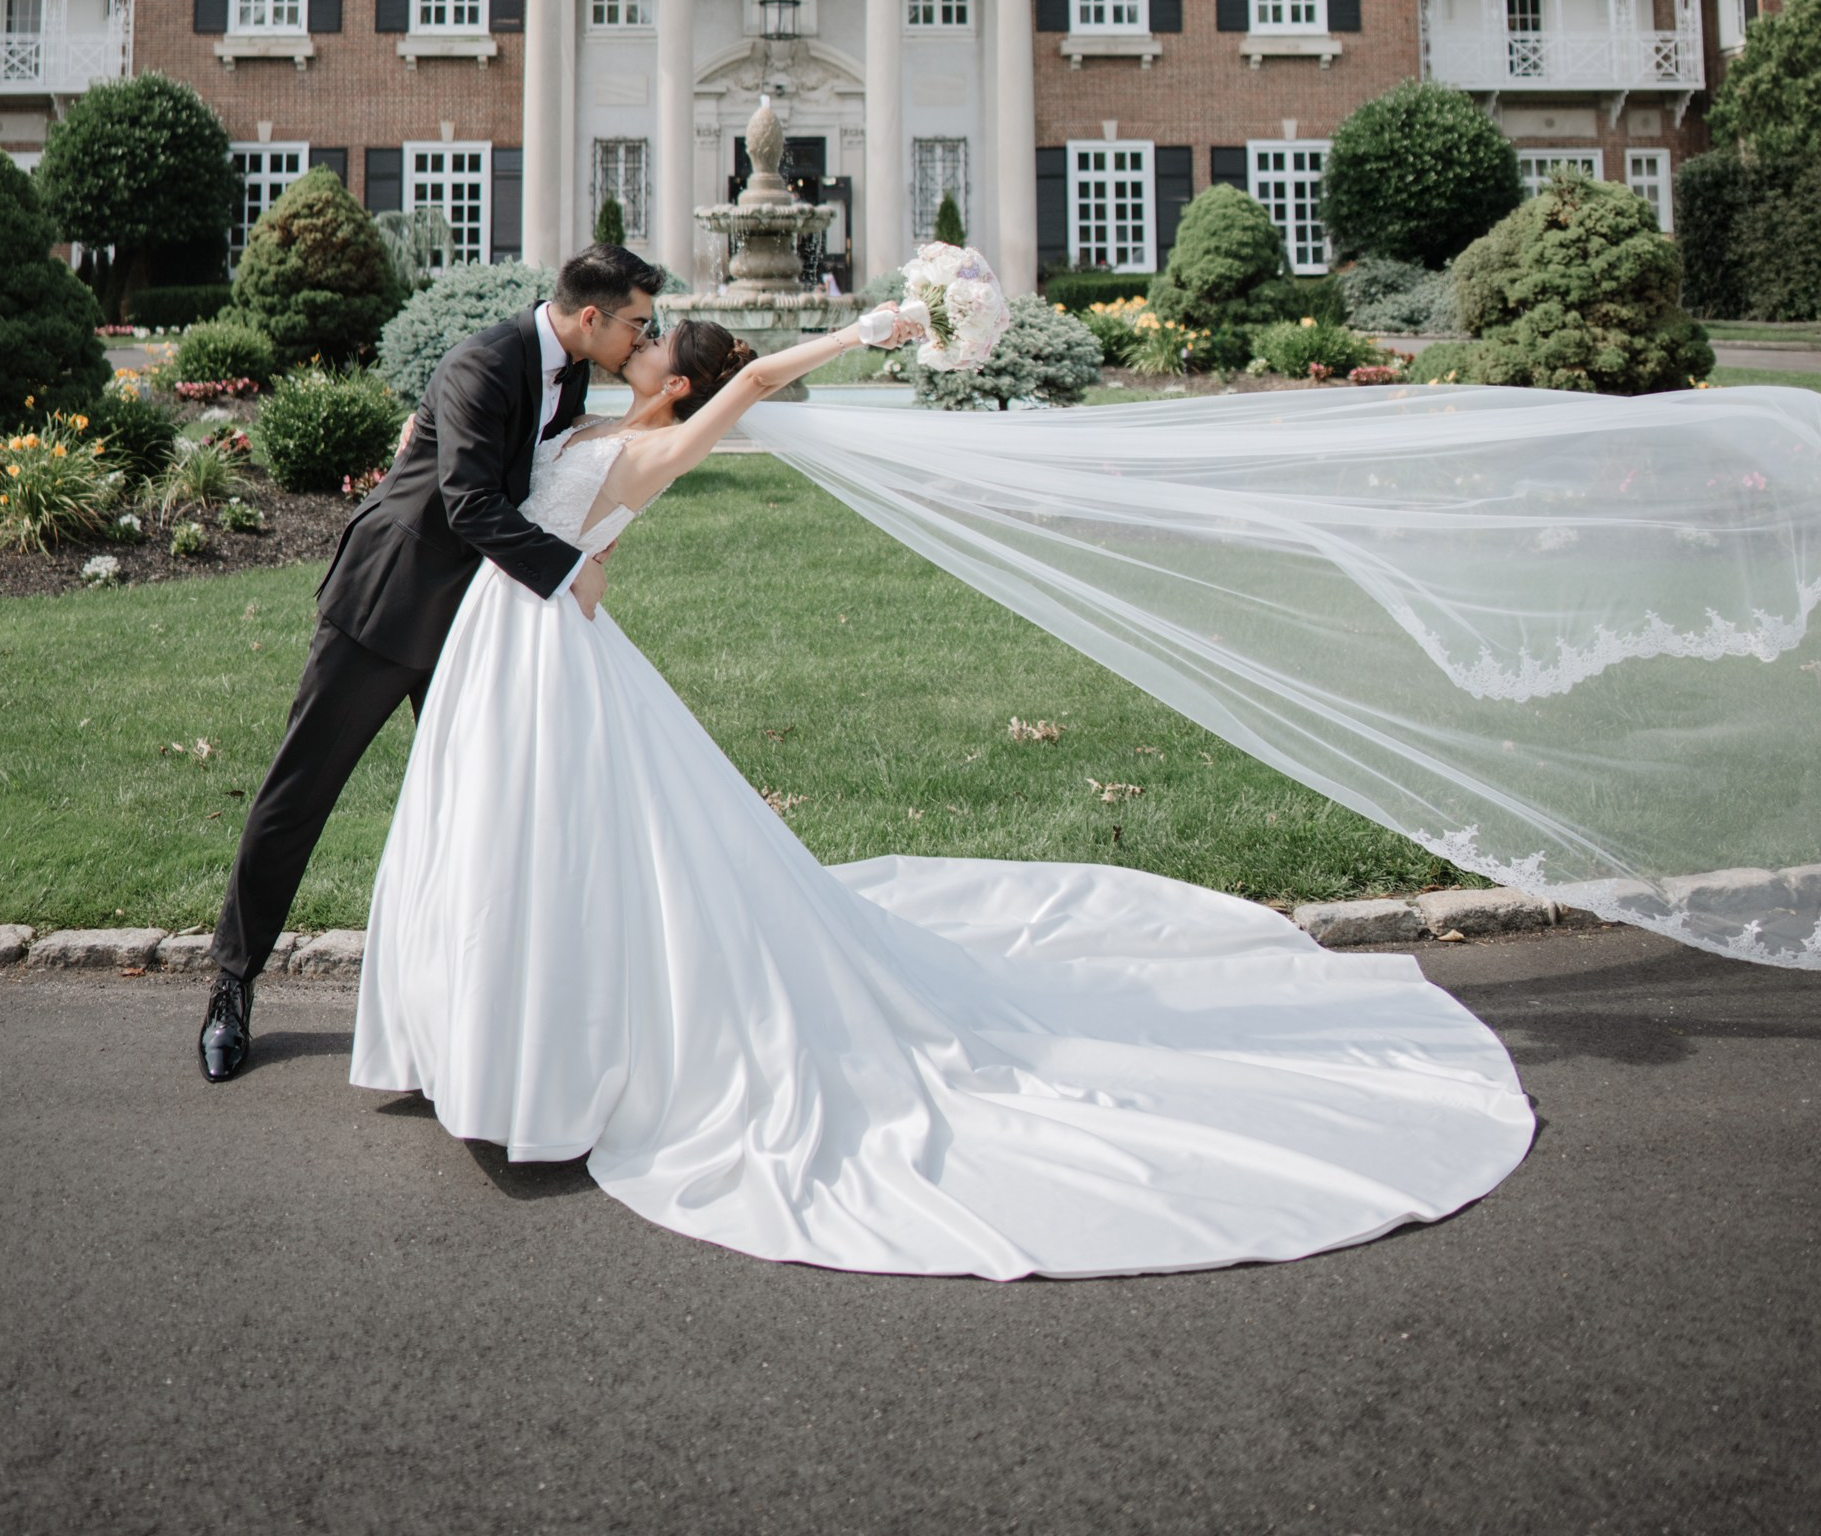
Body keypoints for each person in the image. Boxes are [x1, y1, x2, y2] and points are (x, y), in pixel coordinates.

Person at [349, 312, 1535, 1279]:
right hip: (506, 646)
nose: (640, 347)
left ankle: (548, 1062)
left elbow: (753, 375)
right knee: (507, 840)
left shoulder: (662, 440)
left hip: (551, 653)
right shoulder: (600, 417)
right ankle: (477, 1043)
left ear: (674, 387)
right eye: (643, 335)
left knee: (567, 849)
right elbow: (499, 458)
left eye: (656, 346)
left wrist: (869, 329)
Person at [197, 240, 663, 1081]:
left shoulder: (575, 371)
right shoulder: (484, 361)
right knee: (301, 793)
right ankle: (232, 984)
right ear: (590, 316)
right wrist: (570, 571)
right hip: (387, 603)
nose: (644, 334)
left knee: (475, 815)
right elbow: (472, 503)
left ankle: (450, 1023)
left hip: (476, 626)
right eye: (637, 322)